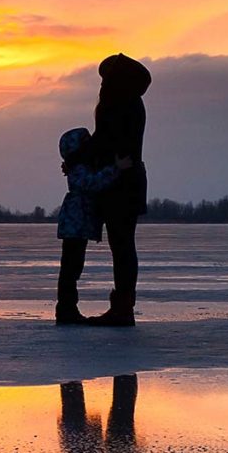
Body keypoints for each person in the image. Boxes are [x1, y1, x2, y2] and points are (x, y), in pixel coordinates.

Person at [87, 53, 152, 327]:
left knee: (122, 244)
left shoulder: (118, 104)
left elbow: (105, 141)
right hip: (127, 179)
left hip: (120, 182)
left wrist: (79, 154)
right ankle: (123, 304)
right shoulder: (130, 103)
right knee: (123, 245)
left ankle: (123, 308)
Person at [55, 127, 132, 325]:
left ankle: (67, 307)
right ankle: (66, 308)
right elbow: (92, 183)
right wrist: (116, 168)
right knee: (70, 268)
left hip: (77, 225)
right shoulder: (79, 169)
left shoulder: (80, 166)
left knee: (73, 267)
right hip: (75, 225)